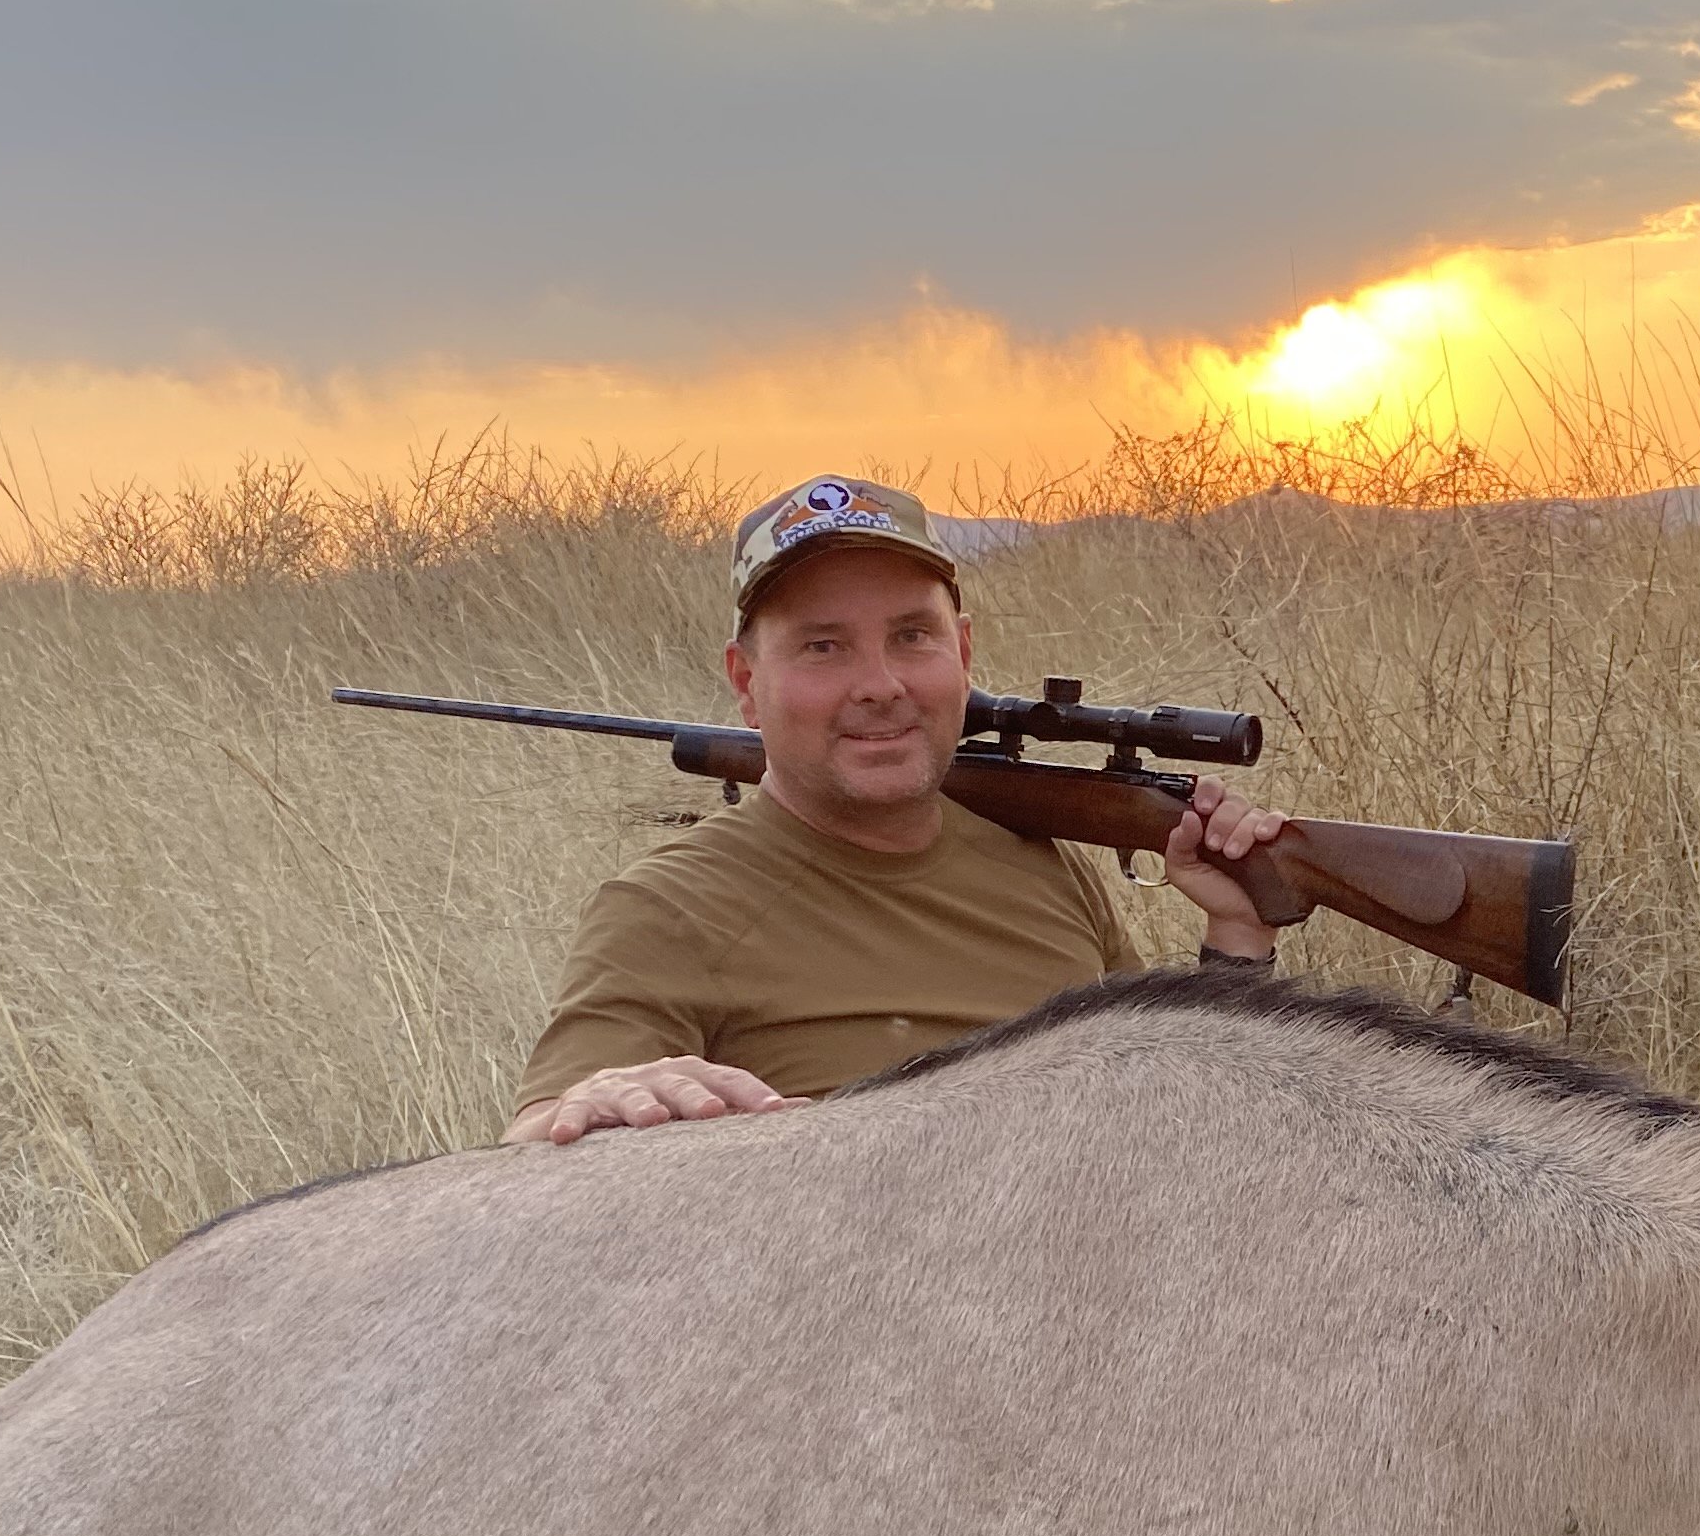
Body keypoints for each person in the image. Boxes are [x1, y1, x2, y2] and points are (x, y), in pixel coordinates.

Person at [505, 476, 1290, 1145]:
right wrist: (587, 1111)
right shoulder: (667, 908)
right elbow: (544, 1135)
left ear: (965, 654)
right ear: (746, 684)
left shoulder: (1045, 866)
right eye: (823, 646)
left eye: (912, 635)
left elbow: (1171, 1117)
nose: (880, 685)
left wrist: (1237, 938)